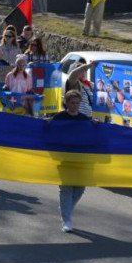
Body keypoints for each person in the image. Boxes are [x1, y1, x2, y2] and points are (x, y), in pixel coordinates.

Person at [50, 89, 94, 232]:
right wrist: (46, 123)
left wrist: (96, 125)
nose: (74, 105)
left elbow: (92, 132)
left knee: (80, 189)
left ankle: (65, 208)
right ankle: (66, 220)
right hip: (64, 159)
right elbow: (49, 130)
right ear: (67, 103)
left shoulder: (83, 119)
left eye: (76, 102)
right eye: (72, 102)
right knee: (66, 188)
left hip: (81, 159)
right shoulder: (60, 117)